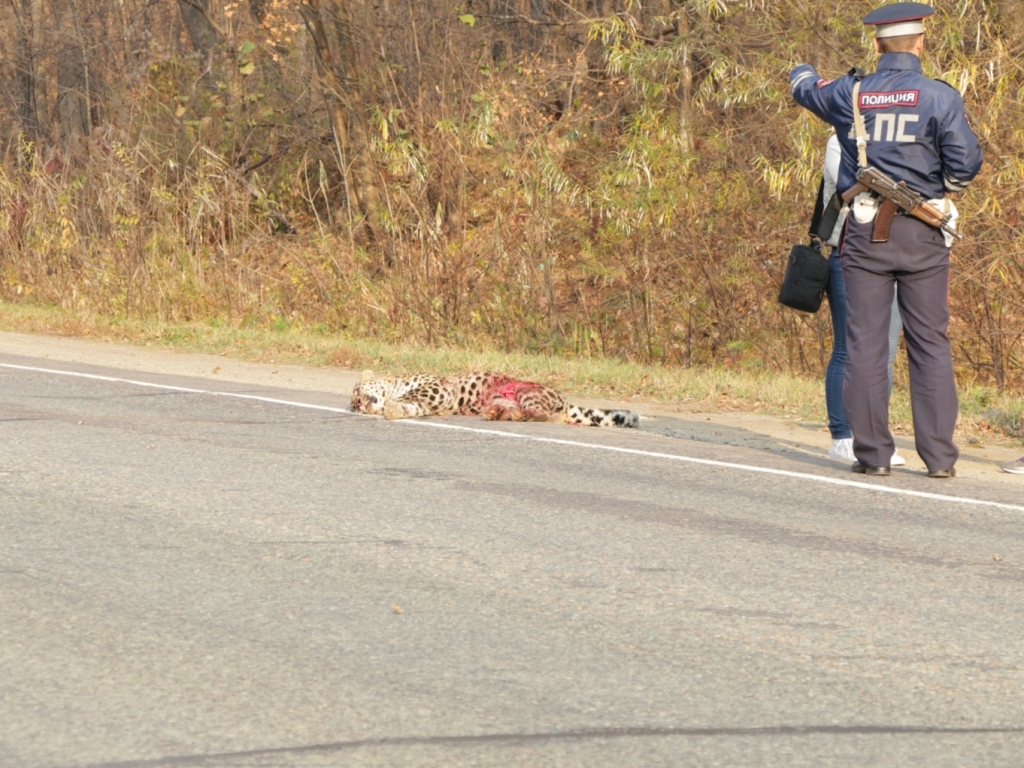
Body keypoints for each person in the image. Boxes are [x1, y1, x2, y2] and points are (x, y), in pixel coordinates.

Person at [791, 2, 983, 478]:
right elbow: (966, 164)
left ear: (875, 45)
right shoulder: (940, 97)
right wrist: (935, 184)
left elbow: (803, 89)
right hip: (924, 234)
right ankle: (939, 460)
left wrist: (802, 69)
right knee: (931, 345)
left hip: (865, 230)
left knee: (866, 345)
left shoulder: (849, 92)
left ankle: (873, 456)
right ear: (920, 42)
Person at [820, 133, 905, 467]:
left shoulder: (900, 136)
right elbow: (853, 188)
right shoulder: (838, 141)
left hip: (895, 253)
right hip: (847, 252)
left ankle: (874, 438)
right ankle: (842, 436)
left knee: (885, 351)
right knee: (849, 347)